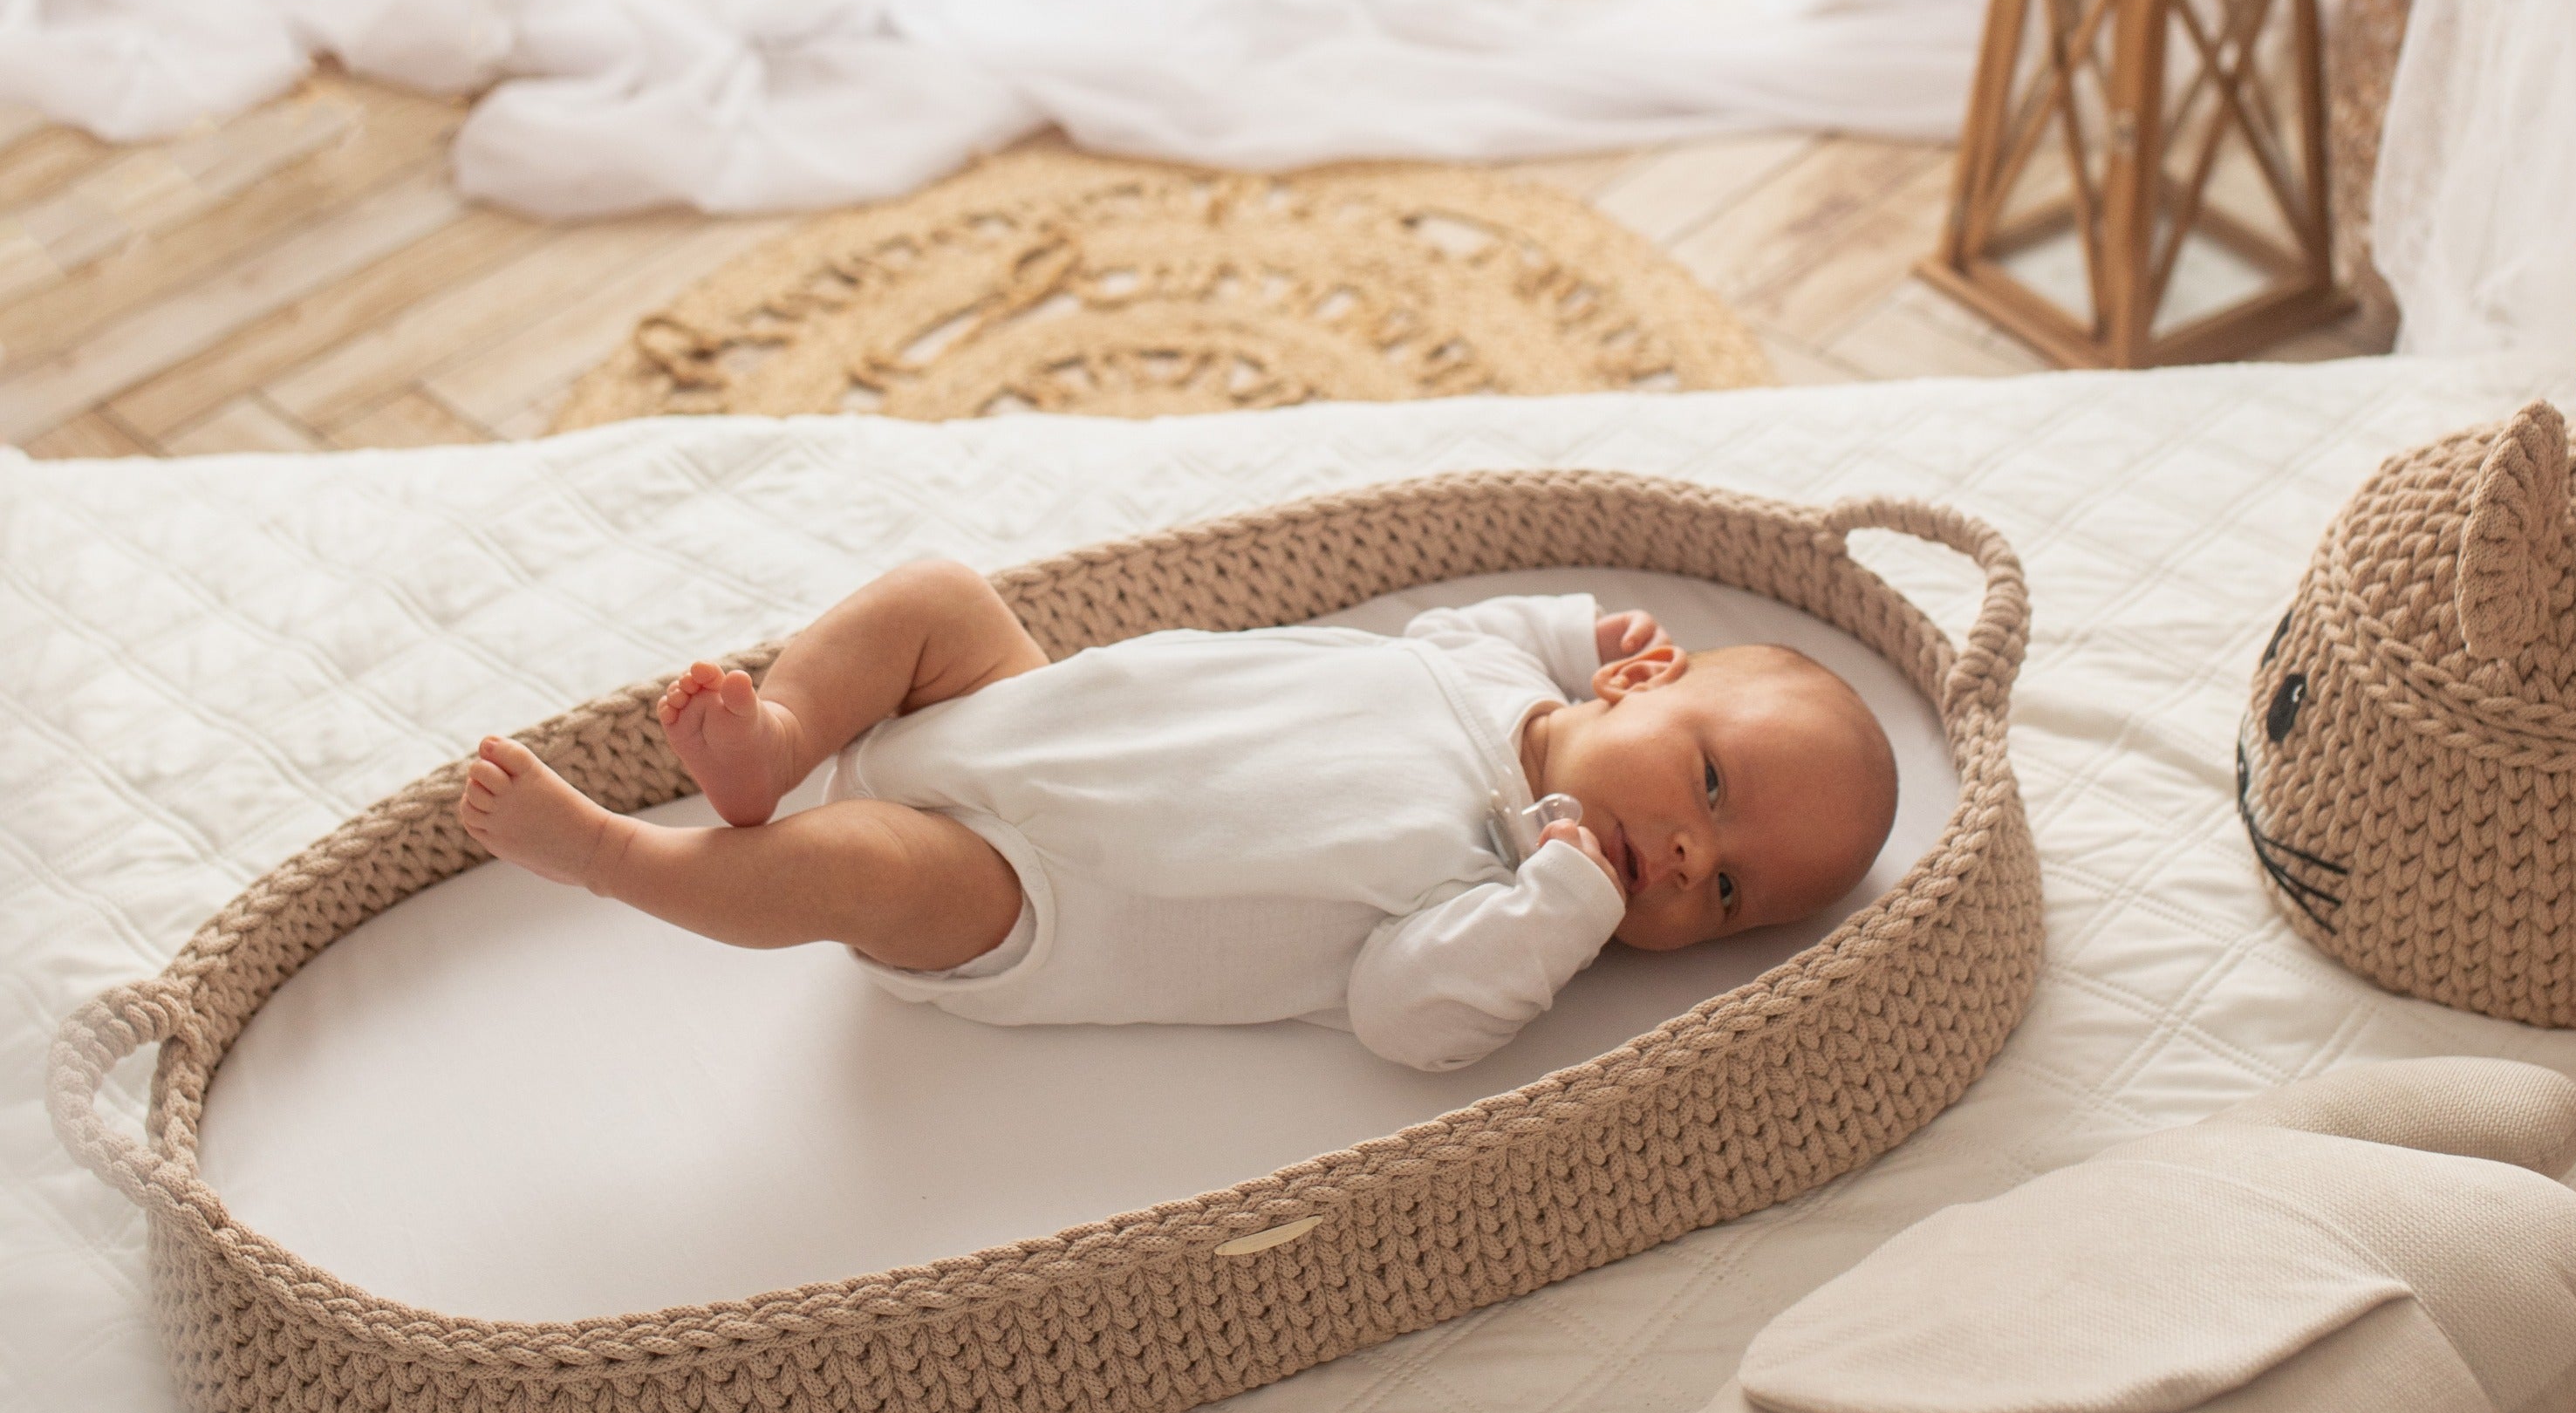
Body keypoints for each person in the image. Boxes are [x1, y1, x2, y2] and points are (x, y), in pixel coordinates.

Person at [456, 556, 1899, 1075]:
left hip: (1030, 892)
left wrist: (1564, 906)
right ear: (1646, 678)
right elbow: (1496, 613)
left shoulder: (1512, 896)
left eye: (1726, 897)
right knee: (937, 599)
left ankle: (623, 857)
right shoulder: (1492, 665)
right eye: (1711, 787)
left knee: (855, 869)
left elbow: (1410, 1021)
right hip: (1008, 714)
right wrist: (1581, 631)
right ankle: (775, 741)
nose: (1696, 858)